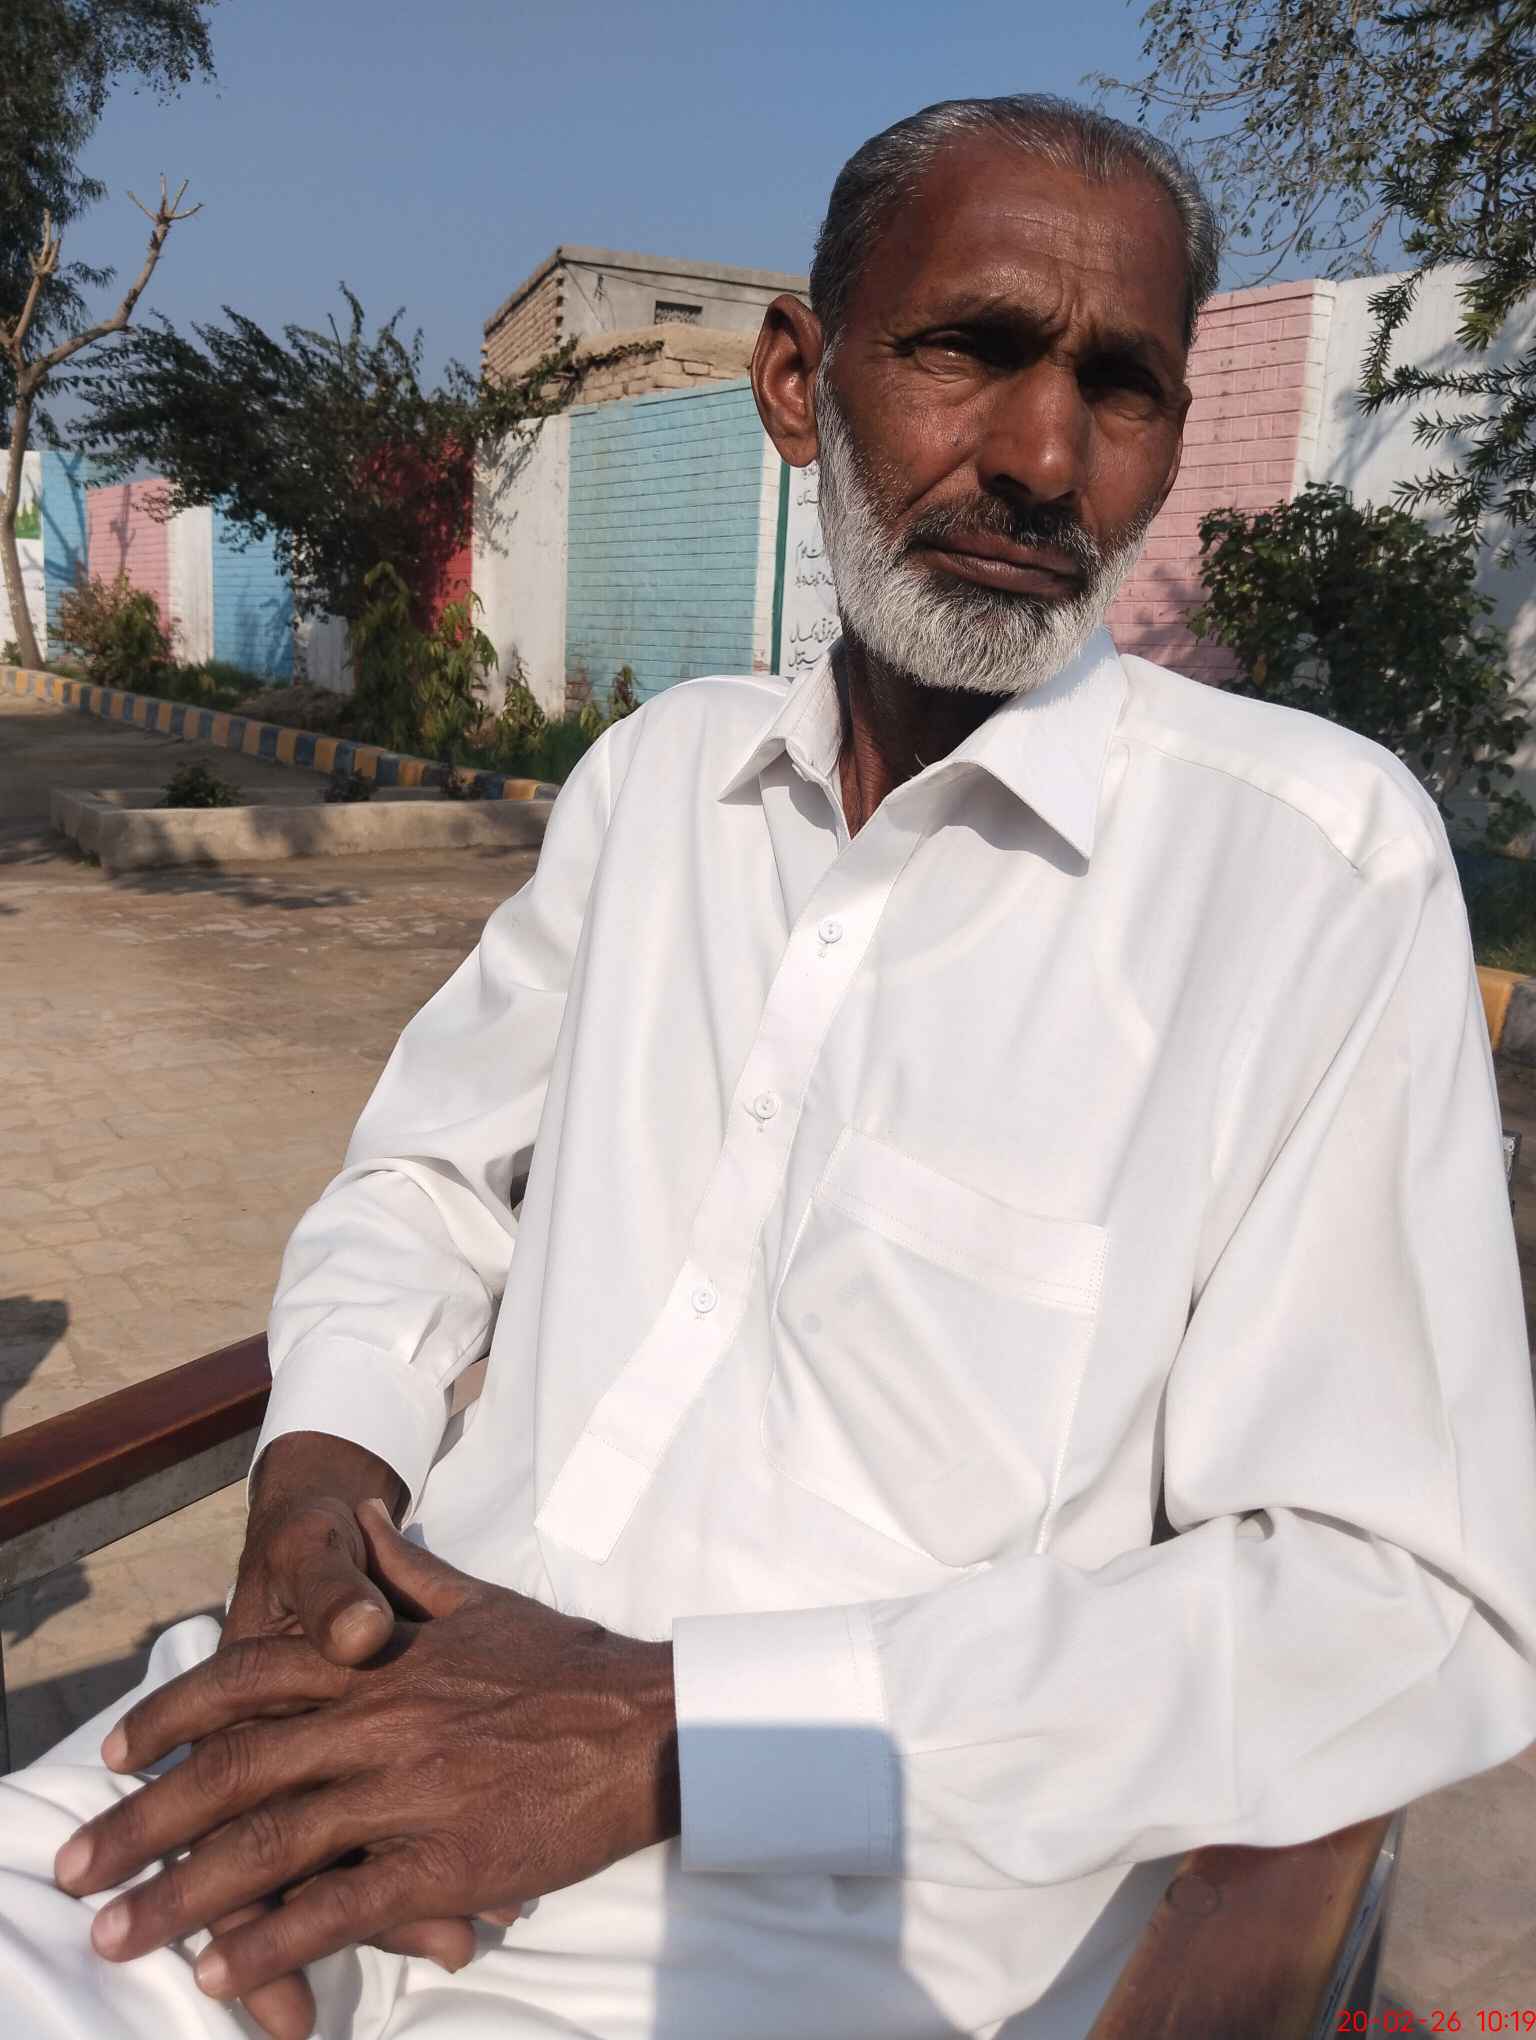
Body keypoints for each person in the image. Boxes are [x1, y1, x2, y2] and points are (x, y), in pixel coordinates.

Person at [6, 92, 1536, 2040]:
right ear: (800, 383)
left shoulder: (1308, 871)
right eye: (970, 350)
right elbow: (424, 1182)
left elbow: (1402, 1603)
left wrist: (675, 1735)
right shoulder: (659, 784)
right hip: (356, 1714)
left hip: (827, 1912)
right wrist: (315, 1479)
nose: (1044, 457)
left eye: (1121, 388)